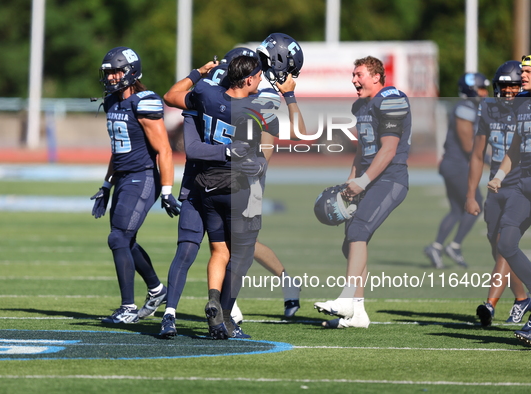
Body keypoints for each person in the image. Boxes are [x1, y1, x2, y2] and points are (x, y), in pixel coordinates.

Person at [164, 36, 305, 339]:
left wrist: (198, 78)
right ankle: (230, 312)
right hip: (237, 175)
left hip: (200, 172)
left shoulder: (223, 74)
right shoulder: (263, 90)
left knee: (221, 247)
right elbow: (275, 139)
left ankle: (245, 297)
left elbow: (176, 99)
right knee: (238, 248)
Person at [314, 56, 411, 329]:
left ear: (377, 76)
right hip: (368, 179)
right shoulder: (360, 105)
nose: (354, 80)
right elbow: (362, 148)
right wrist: (351, 181)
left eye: (359, 74)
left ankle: (346, 299)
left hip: (390, 179)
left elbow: (389, 149)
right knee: (351, 243)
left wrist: (364, 181)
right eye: (353, 75)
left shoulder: (391, 98)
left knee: (358, 232)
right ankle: (357, 313)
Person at [90, 46, 181, 324]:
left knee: (118, 237)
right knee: (125, 240)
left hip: (143, 177)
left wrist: (167, 190)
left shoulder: (144, 101)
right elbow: (117, 151)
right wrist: (106, 186)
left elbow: (164, 149)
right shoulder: (112, 102)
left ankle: (128, 308)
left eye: (116, 71)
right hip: (124, 178)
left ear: (130, 71)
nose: (112, 77)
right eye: (109, 73)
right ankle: (156, 290)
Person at [465, 60, 530, 327]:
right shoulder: (491, 110)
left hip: (519, 184)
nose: (506, 92)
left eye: (512, 86)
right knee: (500, 245)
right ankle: (521, 297)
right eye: (502, 87)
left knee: (506, 241)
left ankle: (490, 304)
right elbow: (478, 153)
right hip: (501, 185)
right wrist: (471, 193)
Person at [424, 73, 489, 269]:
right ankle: (454, 245)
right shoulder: (464, 108)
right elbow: (468, 145)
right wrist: (492, 160)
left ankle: (435, 247)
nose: (485, 93)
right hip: (456, 165)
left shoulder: (473, 108)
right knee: (475, 205)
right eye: (481, 89)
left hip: (456, 164)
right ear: (471, 89)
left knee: (456, 210)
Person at [488, 54, 531, 345]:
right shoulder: (523, 103)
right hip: (524, 183)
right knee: (505, 242)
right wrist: (501, 175)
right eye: (522, 70)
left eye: (528, 71)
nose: (522, 75)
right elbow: (516, 147)